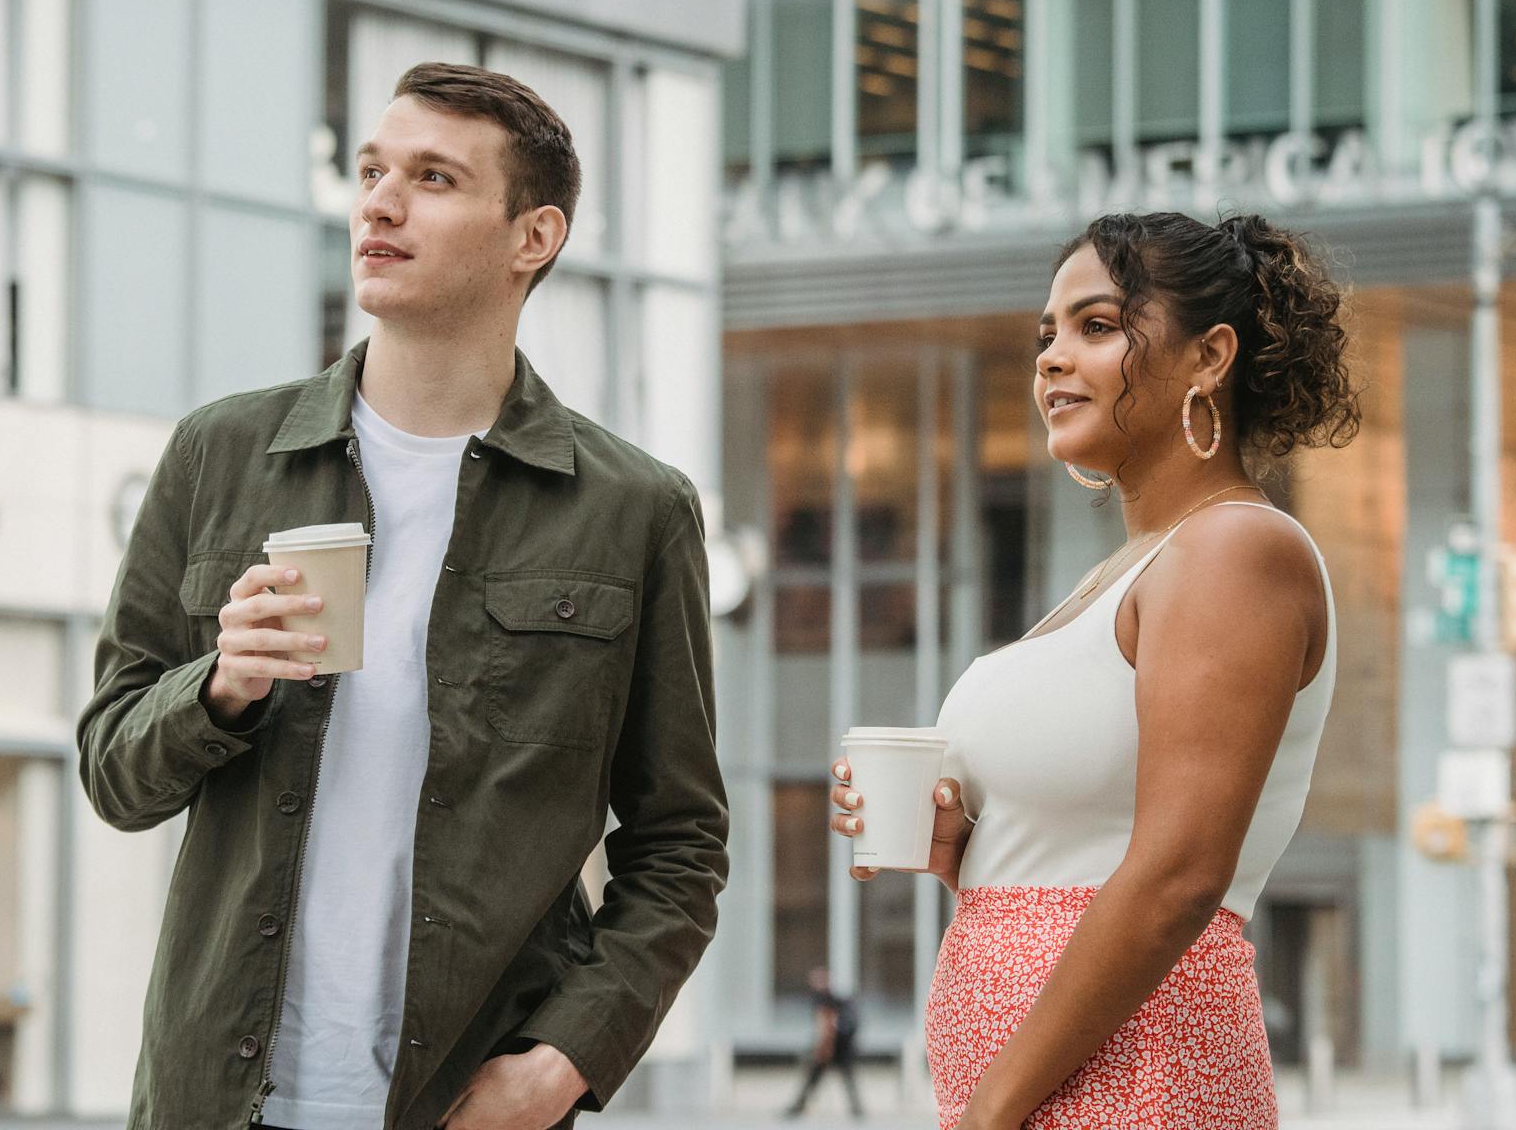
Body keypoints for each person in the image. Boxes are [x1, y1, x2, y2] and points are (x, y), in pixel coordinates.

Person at [78, 63, 729, 1130]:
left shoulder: (634, 510)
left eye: (433, 177)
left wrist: (563, 1060)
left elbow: (680, 841)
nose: (379, 200)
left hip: (466, 1102)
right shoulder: (220, 453)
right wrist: (221, 685)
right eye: (374, 168)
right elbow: (112, 767)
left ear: (535, 235)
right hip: (218, 1098)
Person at [829, 211, 1360, 1130]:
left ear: (1209, 357)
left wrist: (993, 1108)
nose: (1049, 358)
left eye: (1097, 326)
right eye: (1047, 335)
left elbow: (1181, 874)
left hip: (1137, 1078)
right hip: (1050, 1084)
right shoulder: (1130, 570)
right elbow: (1095, 849)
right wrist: (966, 848)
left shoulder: (1236, 550)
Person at [783, 966, 863, 1119]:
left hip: (836, 1048)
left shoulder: (830, 1001)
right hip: (830, 1048)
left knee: (842, 1078)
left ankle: (856, 1108)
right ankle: (798, 1106)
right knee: (815, 1078)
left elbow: (830, 1026)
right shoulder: (822, 1000)